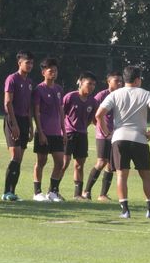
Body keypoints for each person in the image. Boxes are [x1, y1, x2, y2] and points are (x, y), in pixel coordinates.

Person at [94, 66, 150, 219]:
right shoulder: (145, 93)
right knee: (146, 175)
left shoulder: (115, 94)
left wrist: (107, 132)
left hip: (119, 138)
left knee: (121, 175)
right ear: (138, 79)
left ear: (124, 79)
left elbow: (99, 115)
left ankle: (125, 210)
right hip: (139, 139)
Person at [83, 71, 123, 201]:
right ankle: (86, 191)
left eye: (120, 81)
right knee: (101, 162)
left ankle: (102, 194)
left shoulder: (121, 95)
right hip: (103, 134)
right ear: (109, 82)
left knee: (111, 165)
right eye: (116, 81)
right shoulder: (101, 95)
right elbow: (95, 113)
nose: (119, 83)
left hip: (115, 134)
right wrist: (100, 128)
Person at [2, 51, 35, 201]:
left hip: (24, 121)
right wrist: (13, 124)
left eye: (31, 63)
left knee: (19, 158)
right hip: (12, 119)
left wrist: (30, 126)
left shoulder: (29, 82)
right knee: (15, 155)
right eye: (27, 62)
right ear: (19, 63)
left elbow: (28, 106)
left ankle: (12, 192)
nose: (29, 65)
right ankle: (6, 192)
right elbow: (8, 102)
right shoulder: (12, 79)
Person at [32, 58, 66, 202]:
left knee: (60, 162)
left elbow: (61, 111)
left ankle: (52, 192)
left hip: (57, 132)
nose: (53, 73)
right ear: (43, 72)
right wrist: (40, 132)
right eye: (50, 71)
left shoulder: (59, 89)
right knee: (41, 161)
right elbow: (36, 112)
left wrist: (64, 131)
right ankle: (37, 192)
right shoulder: (39, 89)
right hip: (44, 132)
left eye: (55, 71)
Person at [62, 71, 99, 200]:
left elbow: (91, 119)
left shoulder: (93, 102)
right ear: (81, 82)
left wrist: (83, 127)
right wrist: (64, 131)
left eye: (94, 85)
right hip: (68, 134)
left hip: (82, 135)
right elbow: (61, 115)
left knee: (79, 165)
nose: (91, 87)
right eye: (89, 84)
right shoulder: (70, 97)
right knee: (64, 163)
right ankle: (53, 190)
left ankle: (77, 194)